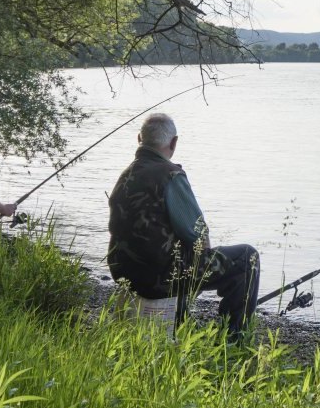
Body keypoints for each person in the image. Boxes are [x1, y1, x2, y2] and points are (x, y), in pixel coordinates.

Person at [107, 113, 260, 338]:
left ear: (139, 138)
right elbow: (198, 234)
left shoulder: (125, 176)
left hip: (126, 275)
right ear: (173, 142)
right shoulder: (171, 175)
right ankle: (233, 339)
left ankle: (182, 318)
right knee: (247, 257)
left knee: (180, 255)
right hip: (160, 280)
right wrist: (201, 268)